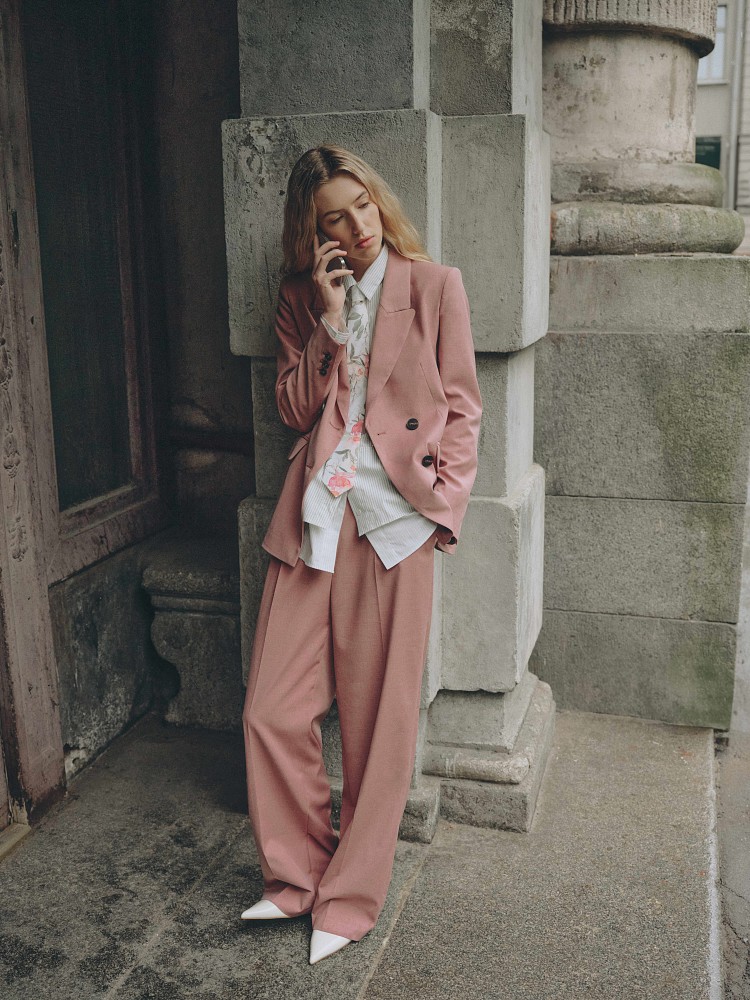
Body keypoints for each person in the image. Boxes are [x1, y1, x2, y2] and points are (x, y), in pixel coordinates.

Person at [240, 145, 482, 964]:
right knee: (271, 709)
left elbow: (462, 407)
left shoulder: (433, 287)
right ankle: (297, 876)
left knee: (381, 725)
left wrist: (442, 509)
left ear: (380, 203)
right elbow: (292, 408)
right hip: (317, 517)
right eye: (334, 220)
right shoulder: (300, 299)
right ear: (313, 236)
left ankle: (348, 899)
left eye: (364, 207)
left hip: (395, 522)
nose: (358, 228)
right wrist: (328, 320)